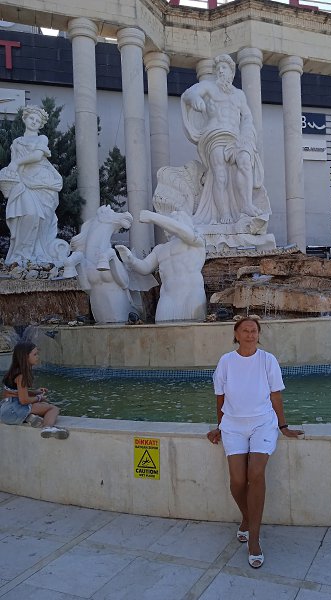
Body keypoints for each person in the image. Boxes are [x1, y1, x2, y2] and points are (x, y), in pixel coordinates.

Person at [207, 317, 302, 568]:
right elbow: (220, 397)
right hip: (233, 426)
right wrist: (220, 426)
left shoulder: (267, 360)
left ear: (258, 335)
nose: (250, 334)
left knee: (256, 473)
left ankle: (254, 540)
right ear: (236, 334)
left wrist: (283, 426)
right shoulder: (226, 361)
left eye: (254, 331)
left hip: (263, 424)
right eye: (245, 330)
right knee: (237, 481)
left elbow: (275, 395)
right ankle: (248, 519)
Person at [181, 54, 265, 225]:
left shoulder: (239, 95)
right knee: (220, 176)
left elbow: (247, 116)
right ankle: (224, 213)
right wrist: (195, 98)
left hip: (236, 138)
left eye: (224, 68)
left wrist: (246, 134)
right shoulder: (209, 87)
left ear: (232, 72)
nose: (220, 71)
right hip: (215, 136)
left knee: (245, 161)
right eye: (218, 68)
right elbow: (189, 93)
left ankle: (247, 205)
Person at [0, 105, 67, 266]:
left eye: (38, 120)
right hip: (23, 181)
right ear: (24, 119)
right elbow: (13, 166)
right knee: (28, 214)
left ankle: (38, 253)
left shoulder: (42, 138)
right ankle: (20, 254)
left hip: (44, 183)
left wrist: (16, 163)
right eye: (31, 118)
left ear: (41, 125)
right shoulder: (17, 142)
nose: (34, 122)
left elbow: (37, 156)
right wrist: (11, 171)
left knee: (42, 220)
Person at [116, 209, 207, 322]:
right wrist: (131, 259)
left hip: (191, 294)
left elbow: (182, 231)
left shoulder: (195, 241)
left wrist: (154, 217)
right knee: (162, 327)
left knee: (195, 329)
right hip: (168, 298)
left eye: (173, 220)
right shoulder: (160, 249)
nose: (168, 224)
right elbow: (145, 268)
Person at [1, 342, 69, 439]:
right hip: (14, 411)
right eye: (35, 354)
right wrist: (39, 397)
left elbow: (15, 393)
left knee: (43, 406)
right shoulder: (21, 376)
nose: (37, 357)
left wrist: (35, 392)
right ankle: (47, 428)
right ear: (25, 357)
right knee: (53, 409)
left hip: (5, 411)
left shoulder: (13, 372)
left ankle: (30, 418)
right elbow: (24, 400)